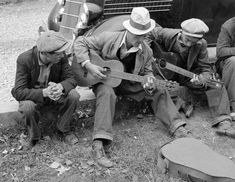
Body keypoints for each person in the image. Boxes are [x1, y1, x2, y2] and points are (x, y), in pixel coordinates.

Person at [73, 7, 189, 168]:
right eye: (137, 34)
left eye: (143, 35)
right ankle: (99, 143)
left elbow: (148, 73)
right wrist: (88, 64)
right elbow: (80, 42)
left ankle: (177, 127)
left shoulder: (146, 51)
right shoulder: (108, 38)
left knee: (158, 89)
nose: (140, 38)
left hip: (128, 83)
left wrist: (149, 82)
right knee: (107, 94)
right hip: (105, 82)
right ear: (128, 29)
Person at [149, 18, 232, 130]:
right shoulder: (167, 34)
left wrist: (203, 78)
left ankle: (223, 119)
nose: (188, 44)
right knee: (154, 84)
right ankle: (180, 108)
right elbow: (148, 33)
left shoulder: (201, 44)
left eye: (193, 42)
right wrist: (149, 54)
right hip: (166, 72)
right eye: (187, 39)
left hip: (187, 74)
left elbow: (206, 67)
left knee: (215, 84)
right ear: (182, 33)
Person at [11, 31, 80, 146]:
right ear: (45, 54)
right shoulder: (24, 59)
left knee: (74, 95)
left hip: (53, 94)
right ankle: (34, 136)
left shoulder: (60, 57)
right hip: (34, 96)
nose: (62, 55)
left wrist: (60, 87)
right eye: (57, 54)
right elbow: (18, 91)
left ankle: (63, 129)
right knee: (28, 107)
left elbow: (71, 79)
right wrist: (44, 92)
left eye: (62, 52)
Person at [216, 17, 235, 121]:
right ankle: (233, 105)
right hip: (227, 64)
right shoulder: (228, 26)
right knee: (233, 62)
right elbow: (221, 51)